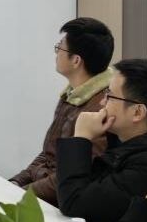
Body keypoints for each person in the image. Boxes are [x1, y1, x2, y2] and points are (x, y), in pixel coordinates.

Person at [56, 58, 147, 222]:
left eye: (110, 96)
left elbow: (75, 204)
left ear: (137, 112)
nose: (102, 102)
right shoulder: (124, 139)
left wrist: (81, 137)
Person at [10, 17, 114, 204]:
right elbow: (48, 154)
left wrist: (22, 196)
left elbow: (74, 175)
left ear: (76, 60)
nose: (56, 52)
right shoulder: (72, 94)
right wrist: (15, 182)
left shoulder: (100, 109)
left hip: (62, 202)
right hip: (44, 191)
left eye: (60, 47)